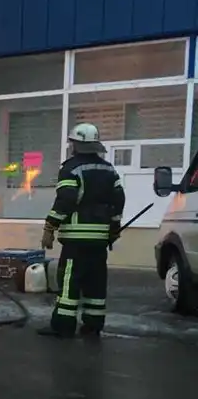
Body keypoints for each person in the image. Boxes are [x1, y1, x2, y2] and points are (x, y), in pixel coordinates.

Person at [38, 122, 125, 338]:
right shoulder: (108, 169)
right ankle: (93, 325)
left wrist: (50, 226)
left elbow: (66, 200)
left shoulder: (71, 168)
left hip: (76, 239)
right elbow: (118, 199)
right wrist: (114, 226)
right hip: (100, 239)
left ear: (75, 145)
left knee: (70, 280)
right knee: (96, 281)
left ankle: (63, 325)